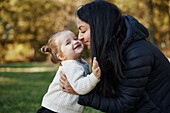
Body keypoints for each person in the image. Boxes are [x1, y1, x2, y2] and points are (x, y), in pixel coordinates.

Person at [60, 1, 170, 113]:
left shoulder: (137, 53)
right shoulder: (114, 49)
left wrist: (80, 93)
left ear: (100, 27)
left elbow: (123, 106)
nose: (80, 37)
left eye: (83, 30)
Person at [37, 30, 101, 113]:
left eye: (75, 38)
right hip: (54, 109)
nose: (75, 42)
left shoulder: (80, 62)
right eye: (68, 43)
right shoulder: (71, 65)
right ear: (61, 56)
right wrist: (94, 77)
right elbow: (80, 87)